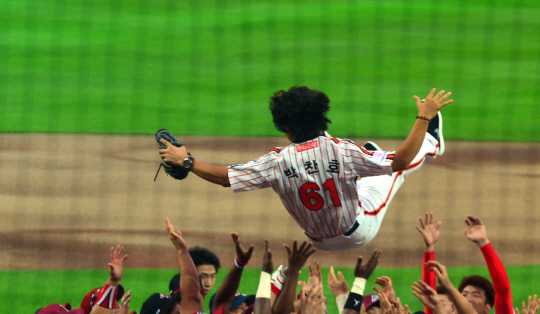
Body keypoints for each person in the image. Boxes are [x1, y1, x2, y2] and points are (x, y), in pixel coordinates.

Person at [158, 86, 451, 251]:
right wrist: (423, 117)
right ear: (321, 117)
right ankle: (432, 143)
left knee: (371, 160)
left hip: (317, 242)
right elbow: (400, 160)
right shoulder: (341, 150)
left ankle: (375, 156)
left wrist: (187, 160)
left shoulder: (276, 161)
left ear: (285, 129)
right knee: (393, 169)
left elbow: (225, 178)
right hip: (358, 231)